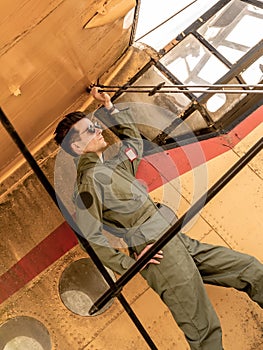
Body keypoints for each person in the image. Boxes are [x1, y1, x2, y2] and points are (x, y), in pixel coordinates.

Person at [54, 87, 263, 350]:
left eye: (95, 125)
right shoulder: (87, 185)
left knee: (250, 270)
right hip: (158, 254)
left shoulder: (113, 166)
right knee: (204, 331)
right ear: (76, 146)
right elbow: (90, 238)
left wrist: (110, 108)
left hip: (176, 240)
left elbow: (133, 144)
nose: (98, 130)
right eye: (90, 130)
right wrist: (130, 264)